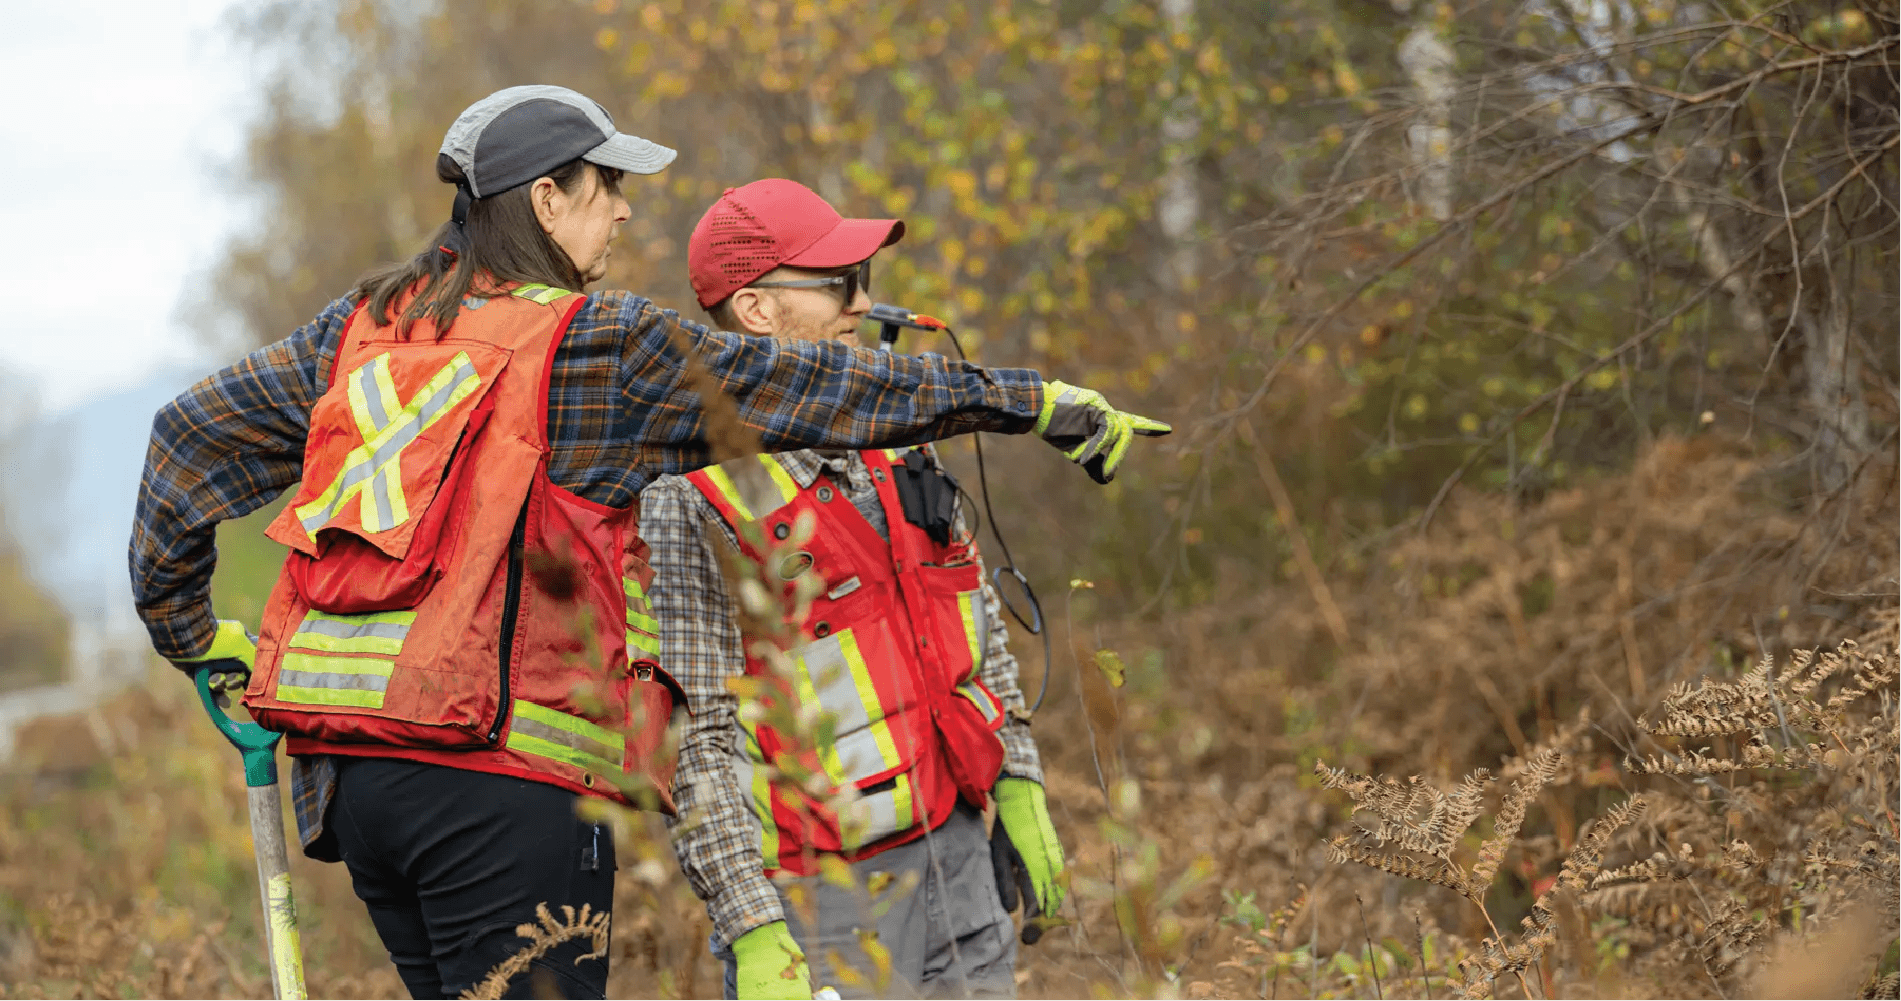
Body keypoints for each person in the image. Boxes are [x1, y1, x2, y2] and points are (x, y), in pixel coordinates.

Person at [129, 87, 1168, 1001]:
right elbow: (818, 388)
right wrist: (1026, 401)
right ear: (546, 200)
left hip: (353, 786)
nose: (624, 210)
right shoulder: (593, 345)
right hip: (503, 783)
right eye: (607, 186)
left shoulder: (362, 325)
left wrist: (191, 635)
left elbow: (186, 437)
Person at [646, 180, 1089, 1000]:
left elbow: (972, 621)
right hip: (821, 906)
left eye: (864, 278)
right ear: (755, 309)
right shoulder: (689, 492)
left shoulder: (900, 433)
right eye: (838, 282)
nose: (862, 302)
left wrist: (1018, 780)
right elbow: (694, 736)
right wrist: (754, 926)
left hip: (960, 861)